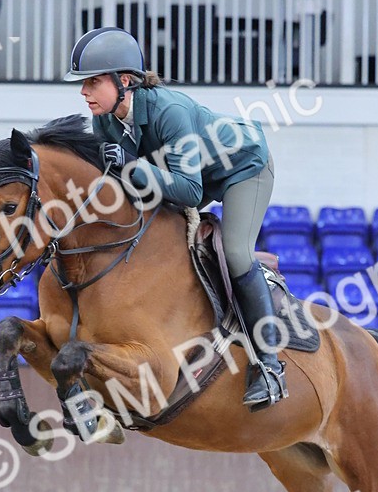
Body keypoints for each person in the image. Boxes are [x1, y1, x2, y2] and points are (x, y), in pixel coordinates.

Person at [64, 26, 288, 410]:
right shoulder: (104, 120)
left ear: (125, 81)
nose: (84, 91)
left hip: (243, 168)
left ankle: (269, 367)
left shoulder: (170, 111)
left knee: (236, 253)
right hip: (187, 174)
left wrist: (132, 166)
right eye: (84, 83)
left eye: (93, 82)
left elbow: (190, 192)